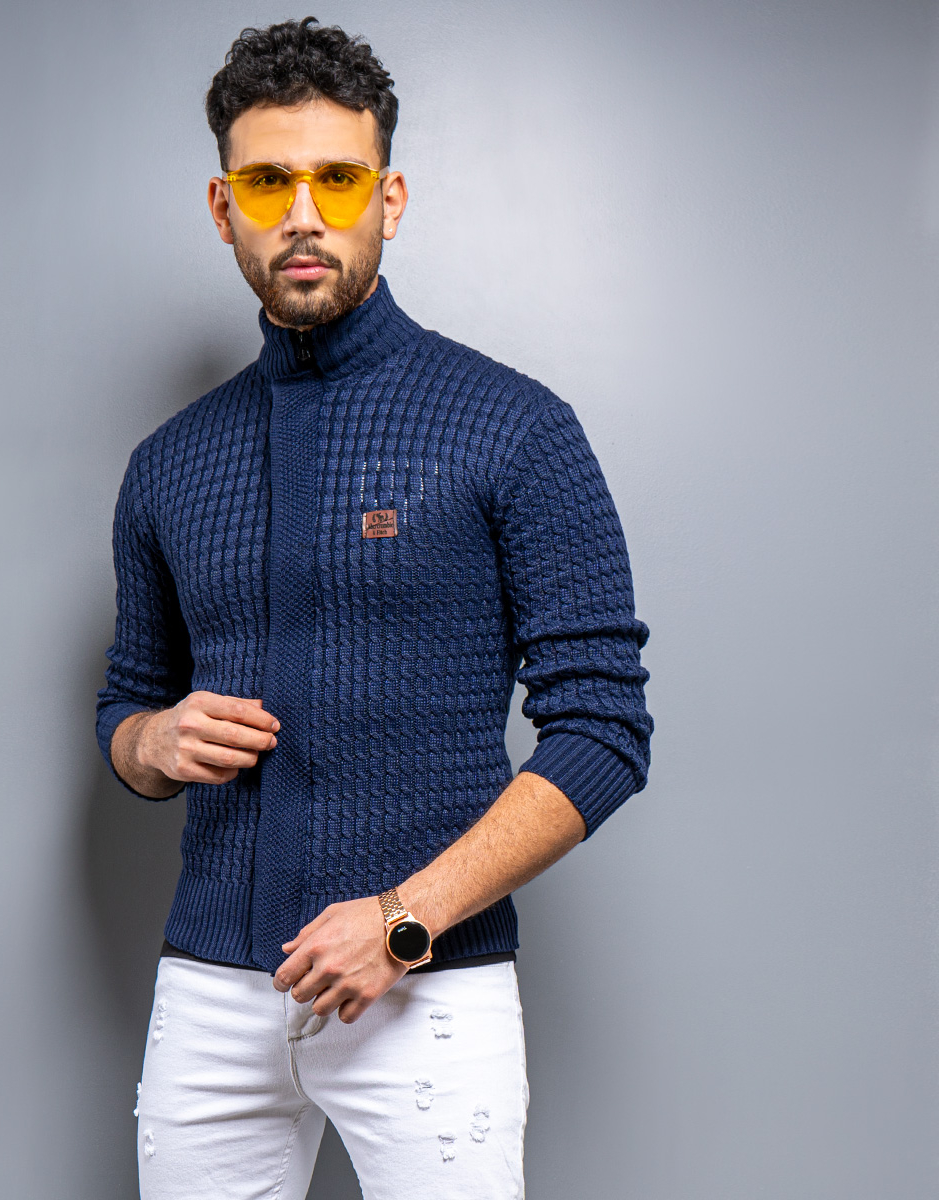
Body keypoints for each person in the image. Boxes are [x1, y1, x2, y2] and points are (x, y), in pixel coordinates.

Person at [96, 16, 653, 1198]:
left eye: (337, 180)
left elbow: (604, 733)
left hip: (426, 989)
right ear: (223, 207)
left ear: (388, 200)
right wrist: (152, 741)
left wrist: (404, 922)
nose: (304, 214)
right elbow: (125, 712)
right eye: (268, 182)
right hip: (211, 991)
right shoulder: (167, 465)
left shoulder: (513, 427)